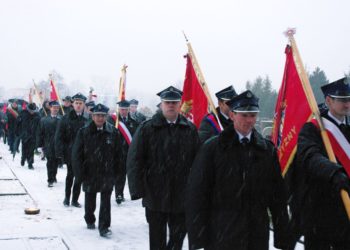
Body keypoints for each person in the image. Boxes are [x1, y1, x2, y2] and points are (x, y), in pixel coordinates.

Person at [186, 90, 288, 250]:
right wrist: (198, 237)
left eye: (253, 115)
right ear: (232, 115)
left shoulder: (266, 150)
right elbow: (198, 193)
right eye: (244, 115)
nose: (249, 120)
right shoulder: (213, 148)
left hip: (256, 234)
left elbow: (277, 195)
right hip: (222, 233)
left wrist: (282, 235)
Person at [127, 86, 200, 250]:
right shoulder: (147, 128)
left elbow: (197, 163)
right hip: (155, 193)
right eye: (167, 102)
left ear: (180, 104)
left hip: (181, 194)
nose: (171, 106)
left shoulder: (189, 129)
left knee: (178, 236)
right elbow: (134, 160)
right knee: (157, 238)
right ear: (161, 104)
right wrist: (137, 189)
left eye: (174, 102)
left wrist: (196, 190)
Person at [292, 77, 350, 249]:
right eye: (341, 100)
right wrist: (333, 172)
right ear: (328, 100)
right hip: (320, 213)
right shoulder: (313, 128)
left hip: (346, 214)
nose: (346, 104)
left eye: (348, 100)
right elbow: (310, 156)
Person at [72, 103, 123, 238]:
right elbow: (76, 155)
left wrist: (118, 172)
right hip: (89, 172)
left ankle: (104, 227)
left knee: (106, 201)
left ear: (106, 117)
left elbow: (119, 154)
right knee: (90, 200)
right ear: (92, 116)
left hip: (107, 173)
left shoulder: (113, 132)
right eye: (97, 115)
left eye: (102, 116)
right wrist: (79, 174)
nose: (100, 118)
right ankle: (90, 219)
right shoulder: (83, 132)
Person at [55, 93, 88, 207]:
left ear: (84, 105)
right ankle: (67, 197)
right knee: (70, 175)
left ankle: (75, 199)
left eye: (81, 103)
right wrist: (60, 153)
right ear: (73, 104)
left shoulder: (86, 120)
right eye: (76, 103)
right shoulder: (65, 119)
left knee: (79, 177)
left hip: (82, 154)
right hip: (69, 152)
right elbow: (59, 136)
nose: (78, 105)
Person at [114, 99, 139, 204]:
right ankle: (119, 194)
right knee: (120, 175)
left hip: (130, 153)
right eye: (122, 109)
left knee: (132, 174)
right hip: (117, 152)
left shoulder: (134, 122)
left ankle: (134, 193)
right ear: (119, 109)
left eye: (125, 109)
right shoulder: (113, 122)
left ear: (129, 110)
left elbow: (136, 138)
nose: (123, 111)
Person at [37, 101, 62, 187]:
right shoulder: (44, 120)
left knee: (55, 162)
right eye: (54, 107)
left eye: (57, 108)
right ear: (50, 108)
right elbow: (40, 133)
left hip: (58, 145)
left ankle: (54, 176)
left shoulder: (61, 119)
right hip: (48, 144)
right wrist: (39, 146)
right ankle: (50, 179)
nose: (55, 109)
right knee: (50, 162)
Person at [16, 103, 41, 169]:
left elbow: (40, 126)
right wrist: (18, 132)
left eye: (33, 111)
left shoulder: (37, 116)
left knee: (31, 150)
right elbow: (18, 124)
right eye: (30, 110)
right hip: (24, 134)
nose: (32, 112)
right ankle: (23, 158)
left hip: (33, 135)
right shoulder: (23, 114)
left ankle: (30, 163)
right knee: (24, 148)